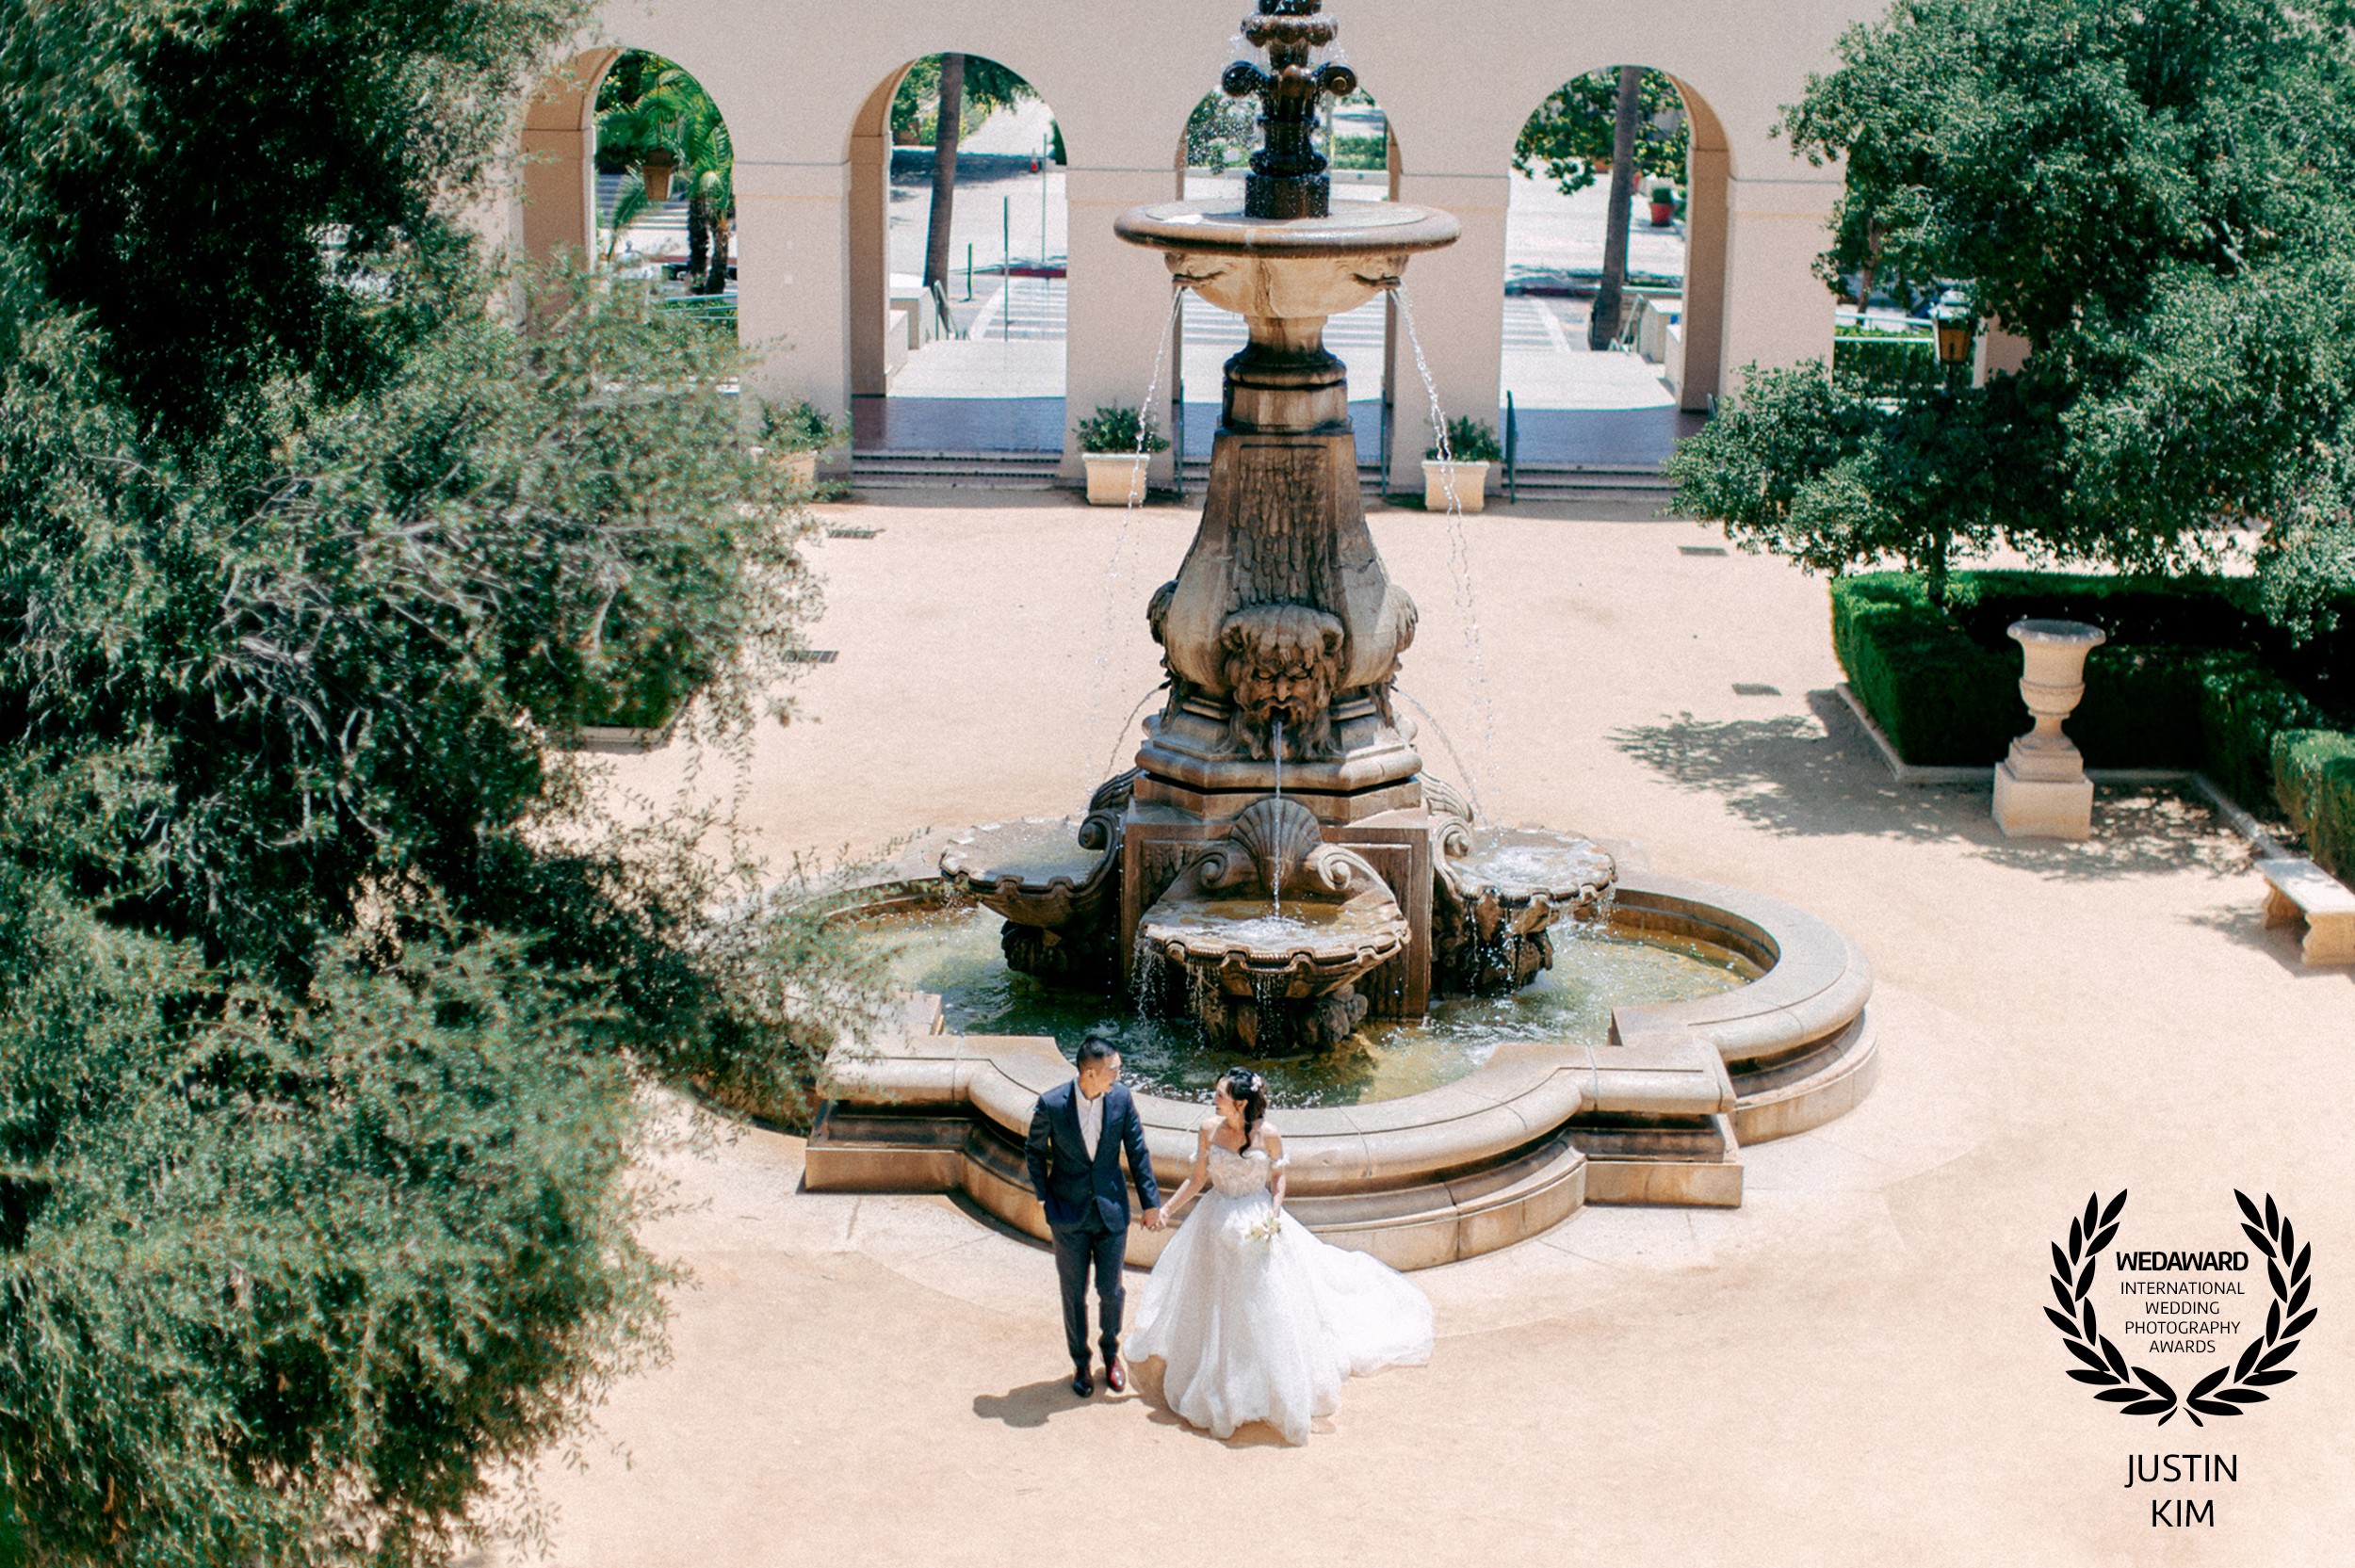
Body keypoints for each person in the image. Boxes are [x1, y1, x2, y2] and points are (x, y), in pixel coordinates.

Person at [1128, 1067, 1432, 1445]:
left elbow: (1278, 1177)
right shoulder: (1208, 1129)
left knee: (1263, 1304)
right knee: (1216, 1303)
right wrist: (1168, 1209)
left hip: (1257, 1221)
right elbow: (1198, 1178)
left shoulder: (1268, 1134)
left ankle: (1267, 1382)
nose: (1214, 1098)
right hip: (1215, 1221)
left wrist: (1273, 1214)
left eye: (1220, 1094)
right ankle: (1217, 1379)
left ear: (1241, 1103)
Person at [1025, 1034, 1162, 1398]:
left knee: (1110, 1290)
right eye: (1113, 1069)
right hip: (1067, 1214)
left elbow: (1137, 1149)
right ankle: (1081, 1362)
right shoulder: (1052, 1104)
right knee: (1073, 1292)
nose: (1119, 1074)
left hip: (1110, 1211)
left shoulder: (1121, 1098)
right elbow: (1033, 1150)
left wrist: (1151, 1203)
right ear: (1090, 1073)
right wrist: (1044, 1196)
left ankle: (1110, 1354)